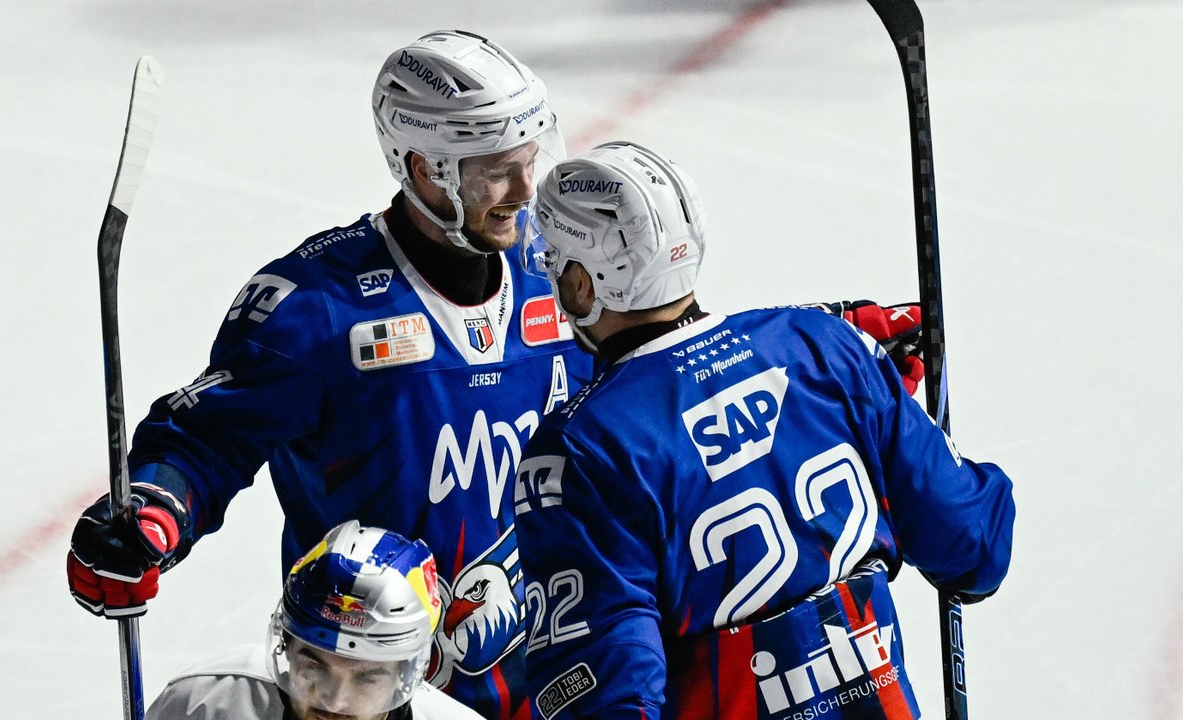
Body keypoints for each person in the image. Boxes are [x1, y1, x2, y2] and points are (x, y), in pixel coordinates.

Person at [68, 30, 587, 719]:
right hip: (361, 694)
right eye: (496, 169)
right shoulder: (317, 307)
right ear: (424, 168)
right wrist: (151, 514)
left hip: (556, 679)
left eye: (528, 160)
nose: (524, 191)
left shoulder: (562, 270)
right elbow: (204, 442)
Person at [512, 141, 1015, 719]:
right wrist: (877, 427)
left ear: (583, 284)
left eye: (557, 265)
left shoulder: (581, 447)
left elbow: (605, 696)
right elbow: (973, 547)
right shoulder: (828, 346)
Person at [146, 520, 484, 720]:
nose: (335, 701)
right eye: (314, 666)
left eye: (367, 678)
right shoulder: (203, 706)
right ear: (286, 649)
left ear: (404, 676)